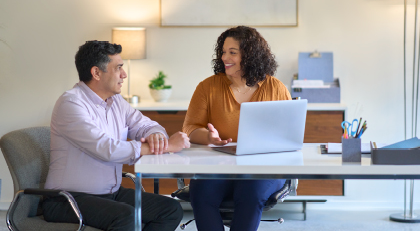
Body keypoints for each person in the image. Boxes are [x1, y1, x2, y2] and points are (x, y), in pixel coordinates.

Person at [42, 41, 190, 231]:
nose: (124, 74)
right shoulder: (71, 103)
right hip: (67, 199)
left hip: (110, 193)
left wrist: (157, 137)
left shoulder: (116, 101)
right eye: (118, 68)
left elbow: (147, 125)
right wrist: (167, 146)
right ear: (96, 73)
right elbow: (107, 149)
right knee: (125, 217)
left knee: (170, 209)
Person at [182, 26, 292, 231]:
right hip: (219, 165)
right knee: (201, 192)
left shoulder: (276, 88)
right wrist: (209, 137)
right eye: (223, 52)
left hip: (264, 167)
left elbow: (288, 135)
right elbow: (190, 127)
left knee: (250, 191)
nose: (225, 57)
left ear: (250, 55)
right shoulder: (208, 87)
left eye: (232, 52)